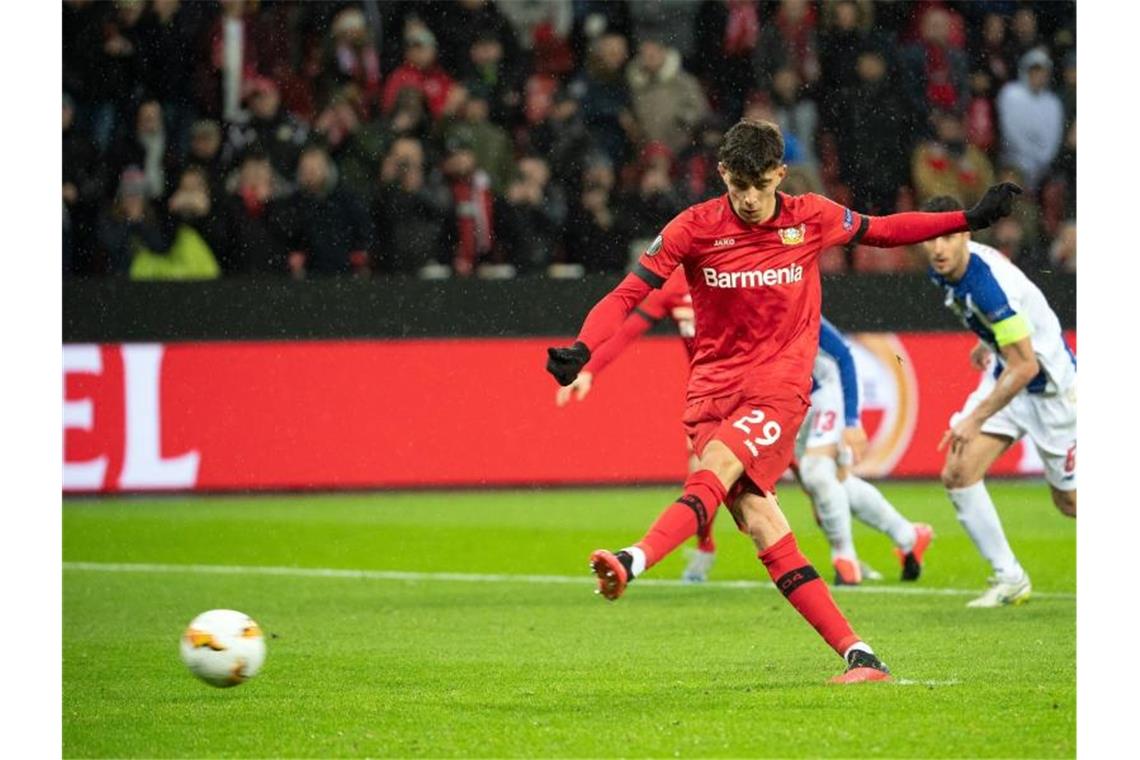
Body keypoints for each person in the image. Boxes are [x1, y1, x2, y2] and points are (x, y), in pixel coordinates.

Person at [545, 119, 1020, 683]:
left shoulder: (810, 216)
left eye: (758, 186)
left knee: (714, 469)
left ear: (778, 175)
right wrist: (583, 348)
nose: (747, 199)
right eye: (736, 185)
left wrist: (969, 218)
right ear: (722, 173)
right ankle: (860, 655)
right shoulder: (693, 227)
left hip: (776, 390)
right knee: (765, 527)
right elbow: (629, 294)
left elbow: (886, 229)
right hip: (710, 393)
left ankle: (632, 559)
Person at [556, 290, 933, 587]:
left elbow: (839, 353)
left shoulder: (761, 283)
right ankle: (903, 535)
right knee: (801, 479)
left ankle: (846, 559)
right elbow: (629, 325)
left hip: (797, 394)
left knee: (816, 477)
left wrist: (851, 418)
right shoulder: (688, 287)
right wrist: (590, 369)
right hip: (740, 397)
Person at [918, 195, 1076, 608]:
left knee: (1070, 502)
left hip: (1049, 389)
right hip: (1007, 374)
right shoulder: (948, 268)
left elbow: (1025, 367)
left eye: (948, 237)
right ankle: (1011, 578)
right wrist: (987, 341)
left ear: (966, 235)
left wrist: (973, 420)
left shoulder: (988, 286)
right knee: (958, 470)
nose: (938, 248)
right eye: (931, 238)